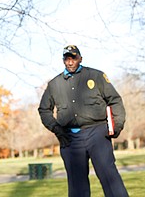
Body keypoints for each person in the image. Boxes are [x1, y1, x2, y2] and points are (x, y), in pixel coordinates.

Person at [38, 45, 129, 197]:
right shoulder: (54, 84)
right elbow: (44, 110)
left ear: (80, 58)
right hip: (70, 139)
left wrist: (117, 124)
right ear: (63, 61)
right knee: (77, 186)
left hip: (98, 133)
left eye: (73, 58)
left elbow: (115, 100)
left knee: (110, 177)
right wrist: (56, 129)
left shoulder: (96, 76)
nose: (70, 62)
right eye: (67, 59)